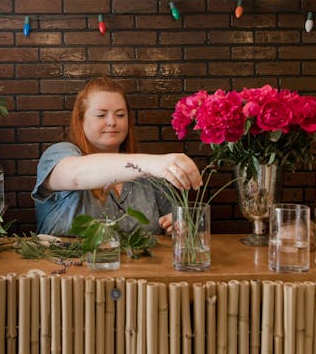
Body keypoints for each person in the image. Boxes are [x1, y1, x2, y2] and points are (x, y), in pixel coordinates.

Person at [33, 76, 202, 236]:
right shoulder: (58, 154)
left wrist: (178, 224)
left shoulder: (150, 175)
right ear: (81, 120)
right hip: (65, 266)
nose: (112, 122)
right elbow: (75, 174)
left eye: (120, 115)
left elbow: (178, 221)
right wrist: (150, 164)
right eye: (101, 115)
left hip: (142, 267)